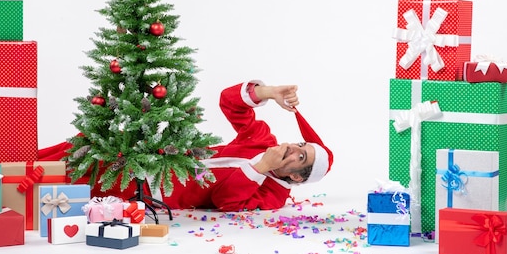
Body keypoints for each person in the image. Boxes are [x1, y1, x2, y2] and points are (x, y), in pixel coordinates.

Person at [39, 79, 333, 212]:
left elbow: (226, 201)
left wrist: (261, 168)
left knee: (80, 182)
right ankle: (7, 168)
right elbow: (230, 103)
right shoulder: (261, 139)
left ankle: (16, 193)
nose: (292, 148)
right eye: (299, 144)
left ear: (296, 176)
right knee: (83, 148)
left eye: (300, 155)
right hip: (152, 154)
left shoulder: (273, 196)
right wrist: (268, 91)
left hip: (154, 189)